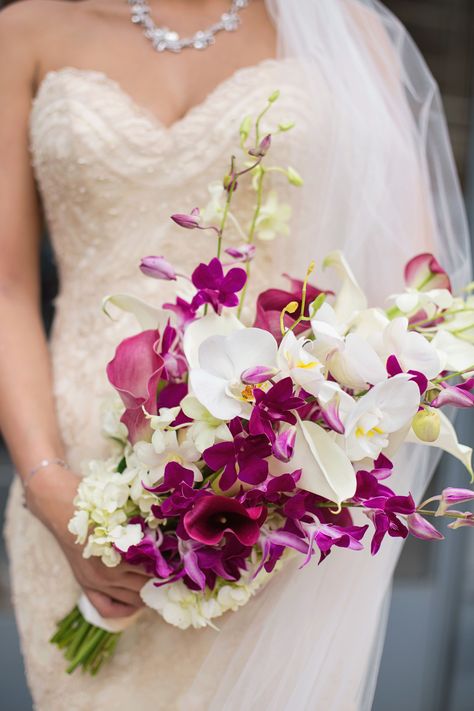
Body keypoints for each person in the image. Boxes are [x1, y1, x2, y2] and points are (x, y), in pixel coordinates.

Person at [0, 1, 470, 709]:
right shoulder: (23, 30)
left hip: (275, 487)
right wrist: (47, 485)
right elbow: (4, 286)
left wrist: (308, 449)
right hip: (75, 490)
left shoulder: (340, 28)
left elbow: (413, 295)